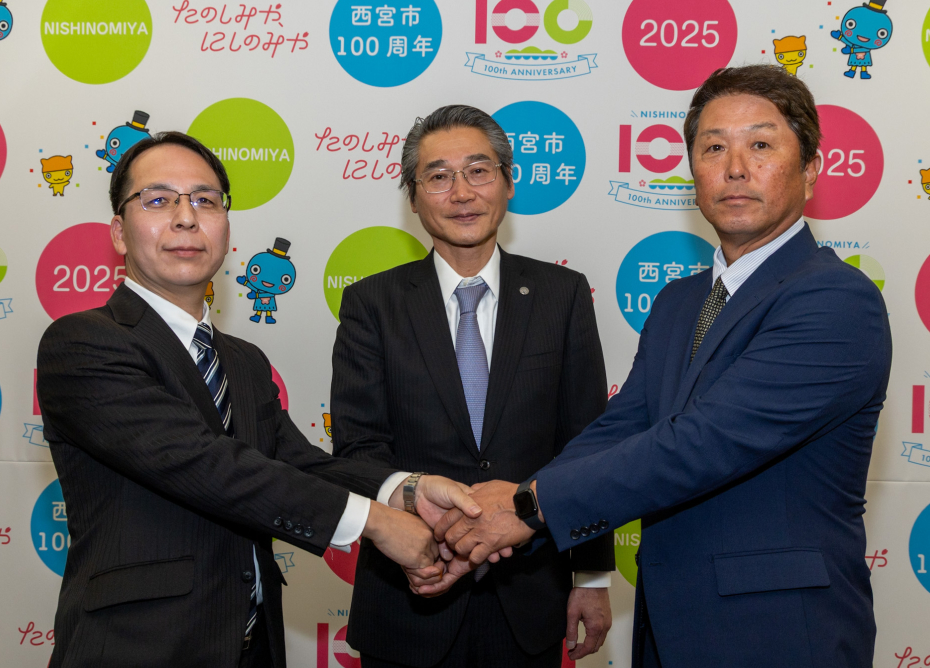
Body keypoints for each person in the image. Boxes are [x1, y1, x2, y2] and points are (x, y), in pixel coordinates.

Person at [435, 65, 893, 668]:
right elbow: (621, 426)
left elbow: (703, 442)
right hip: (669, 624)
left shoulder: (835, 299)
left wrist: (527, 507)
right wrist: (517, 500)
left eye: (761, 145)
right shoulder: (681, 300)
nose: (735, 168)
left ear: (811, 168)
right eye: (713, 148)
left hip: (778, 631)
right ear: (692, 171)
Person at [36, 131, 480, 668]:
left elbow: (299, 463)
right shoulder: (82, 342)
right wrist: (377, 523)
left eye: (205, 200)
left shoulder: (243, 360)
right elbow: (205, 464)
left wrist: (407, 491)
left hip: (252, 649)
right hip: (138, 649)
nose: (186, 217)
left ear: (226, 226)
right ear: (119, 232)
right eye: (158, 200)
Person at [330, 105, 615, 668]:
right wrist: (419, 507)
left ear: (509, 183)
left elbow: (587, 443)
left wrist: (591, 575)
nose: (461, 193)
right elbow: (357, 449)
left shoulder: (562, 295)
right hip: (411, 590)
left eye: (479, 171)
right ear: (414, 198)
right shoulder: (372, 304)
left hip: (530, 594)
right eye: (438, 176)